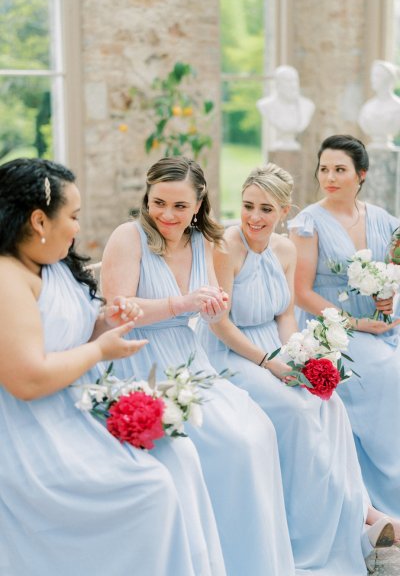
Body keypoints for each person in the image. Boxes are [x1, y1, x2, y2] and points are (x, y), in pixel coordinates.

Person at [0, 157, 226, 576]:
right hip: (35, 429)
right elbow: (28, 381)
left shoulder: (53, 265)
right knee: (153, 490)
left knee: (182, 456)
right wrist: (101, 350)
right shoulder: (8, 278)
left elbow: (77, 328)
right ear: (38, 221)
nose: (78, 228)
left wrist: (109, 319)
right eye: (73, 216)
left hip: (81, 406)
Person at [101, 156, 296, 576]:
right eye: (158, 203)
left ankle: (251, 560)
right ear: (146, 196)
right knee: (231, 444)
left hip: (191, 358)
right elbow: (118, 312)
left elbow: (211, 314)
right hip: (139, 358)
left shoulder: (206, 242)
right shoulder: (128, 237)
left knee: (258, 431)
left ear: (198, 204)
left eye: (179, 206)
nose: (166, 215)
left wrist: (212, 307)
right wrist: (181, 303)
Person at [196, 162, 394, 574]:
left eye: (265, 209)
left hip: (274, 347)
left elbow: (286, 316)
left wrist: (303, 357)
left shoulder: (285, 250)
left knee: (329, 404)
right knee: (298, 412)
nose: (254, 217)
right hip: (233, 353)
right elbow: (220, 323)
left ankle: (356, 515)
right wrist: (270, 362)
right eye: (248, 205)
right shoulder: (226, 248)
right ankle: (331, 528)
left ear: (284, 212)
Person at [289, 134, 400, 524]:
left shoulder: (385, 220)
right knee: (388, 373)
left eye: (340, 170)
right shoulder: (307, 223)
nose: (330, 178)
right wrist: (353, 322)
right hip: (333, 329)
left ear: (361, 175)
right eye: (324, 169)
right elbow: (301, 293)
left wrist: (389, 301)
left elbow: (394, 276)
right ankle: (386, 498)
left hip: (382, 327)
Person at [256, 65, 315, 151]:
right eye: (288, 81)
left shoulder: (308, 105)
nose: (293, 85)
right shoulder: (266, 105)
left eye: (295, 81)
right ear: (277, 84)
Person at [358, 60, 400, 149]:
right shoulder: (367, 107)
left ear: (389, 79)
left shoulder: (397, 106)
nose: (373, 79)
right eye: (372, 75)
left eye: (377, 75)